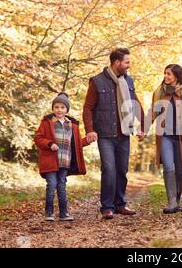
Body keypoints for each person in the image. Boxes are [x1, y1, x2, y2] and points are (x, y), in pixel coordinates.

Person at [83, 47, 145, 220]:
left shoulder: (129, 81)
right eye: (127, 62)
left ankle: (120, 204)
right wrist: (90, 130)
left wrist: (143, 126)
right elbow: (88, 107)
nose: (129, 65)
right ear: (117, 62)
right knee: (109, 169)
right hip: (105, 134)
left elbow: (135, 103)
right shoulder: (97, 81)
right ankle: (107, 207)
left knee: (122, 170)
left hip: (125, 133)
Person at [145, 64, 182, 214]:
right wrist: (143, 130)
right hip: (165, 136)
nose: (166, 76)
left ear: (176, 76)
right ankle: (171, 202)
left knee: (180, 171)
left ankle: (176, 200)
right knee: (168, 167)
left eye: (169, 74)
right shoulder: (159, 93)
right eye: (165, 73)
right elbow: (152, 112)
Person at [35, 92, 90, 221]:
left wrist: (87, 140)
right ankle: (49, 213)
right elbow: (38, 138)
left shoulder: (72, 125)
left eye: (62, 107)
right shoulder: (47, 122)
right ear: (53, 108)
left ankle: (63, 213)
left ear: (67, 109)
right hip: (50, 160)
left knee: (61, 186)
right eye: (56, 107)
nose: (59, 110)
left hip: (65, 160)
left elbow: (76, 144)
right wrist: (49, 144)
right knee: (51, 184)